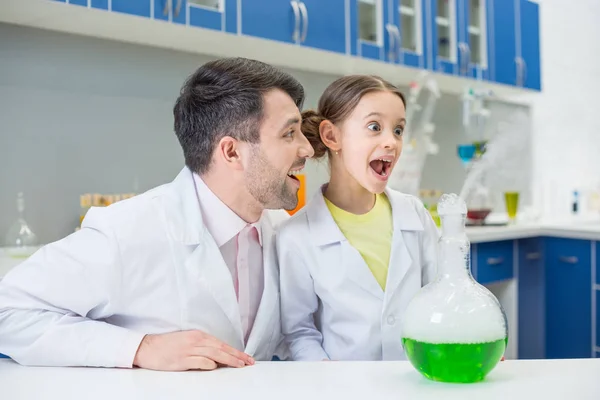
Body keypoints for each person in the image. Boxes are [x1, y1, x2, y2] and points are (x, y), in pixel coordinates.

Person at [0, 57, 314, 370]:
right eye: (289, 134)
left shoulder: (282, 231)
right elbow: (9, 313)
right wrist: (139, 348)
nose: (307, 150)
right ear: (231, 152)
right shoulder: (129, 231)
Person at [277, 75, 439, 361]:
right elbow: (299, 333)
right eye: (374, 127)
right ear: (332, 136)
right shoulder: (296, 235)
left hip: (418, 381)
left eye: (398, 130)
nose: (391, 142)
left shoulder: (414, 215)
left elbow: (441, 297)